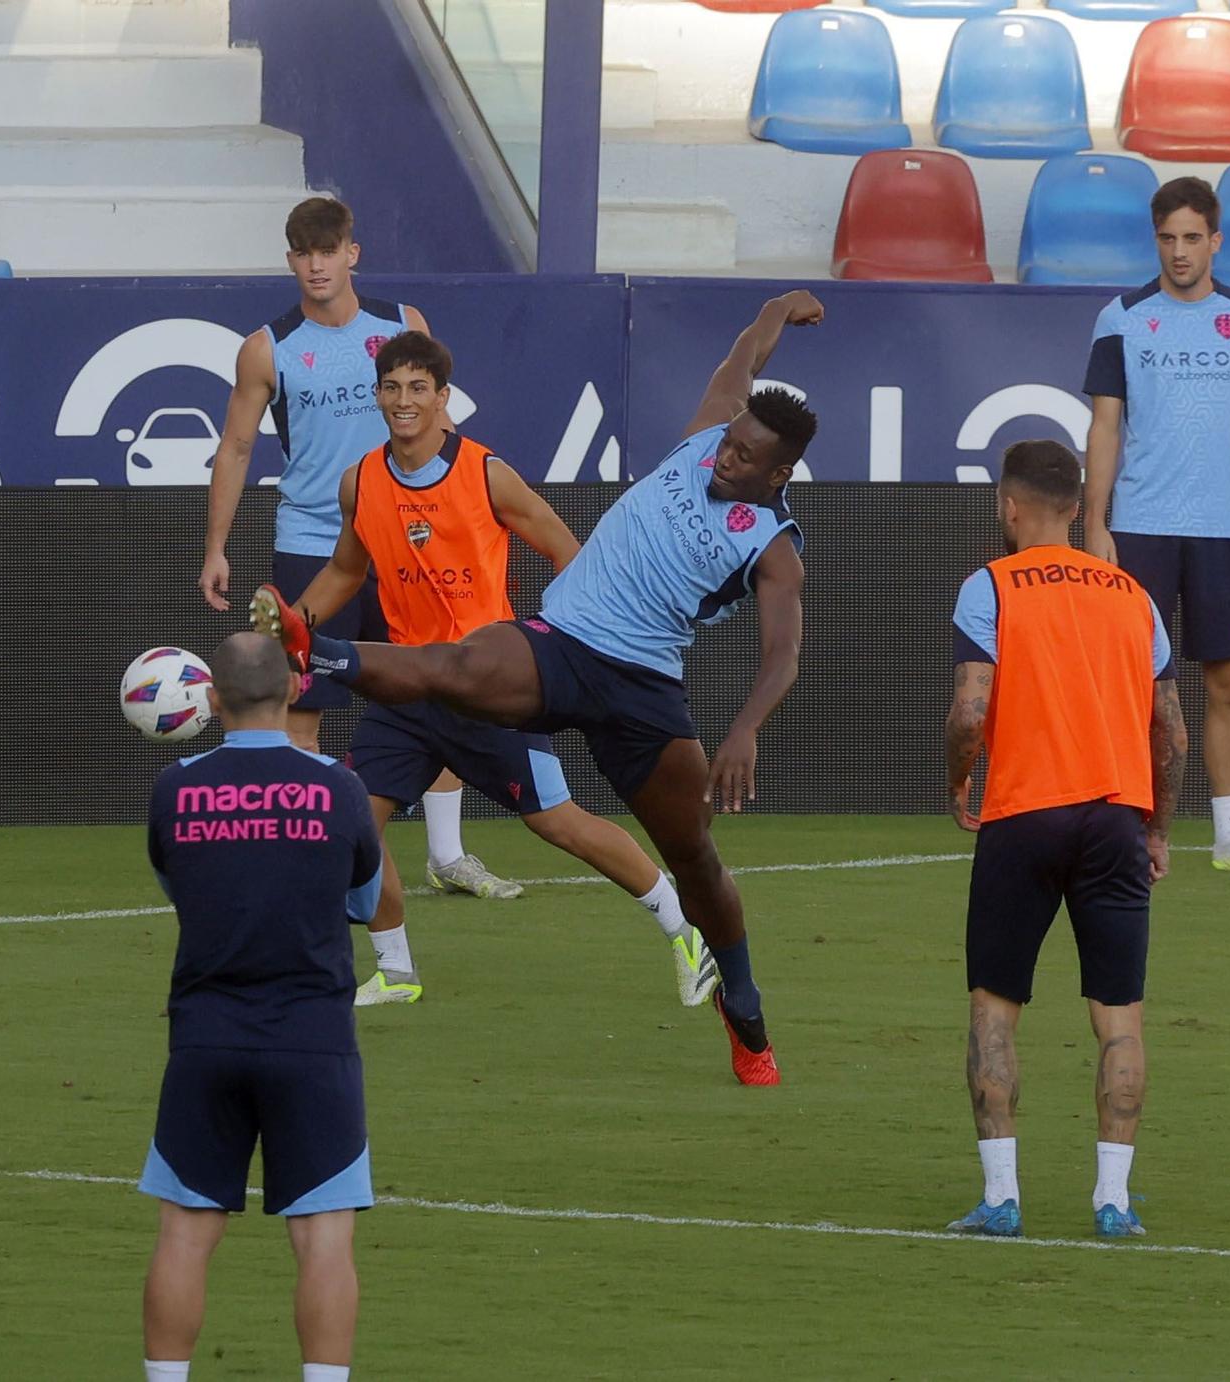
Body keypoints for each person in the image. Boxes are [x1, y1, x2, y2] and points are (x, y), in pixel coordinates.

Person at [251, 290, 827, 1086]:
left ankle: (745, 1005)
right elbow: (746, 356)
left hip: (642, 688)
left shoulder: (773, 547)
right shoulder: (707, 437)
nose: (725, 457)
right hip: (561, 643)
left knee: (696, 862)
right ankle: (322, 651)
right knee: (457, 666)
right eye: (727, 442)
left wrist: (745, 729)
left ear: (778, 472)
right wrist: (776, 309)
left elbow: (783, 655)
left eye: (742, 456)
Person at [292, 330, 716, 1009]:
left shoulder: (485, 473)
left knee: (559, 823)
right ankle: (397, 971)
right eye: (392, 388)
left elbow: (564, 547)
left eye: (418, 389)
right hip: (404, 688)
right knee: (352, 823)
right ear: (377, 396)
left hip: (488, 687)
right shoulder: (361, 480)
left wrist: (562, 644)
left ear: (442, 398)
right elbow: (347, 570)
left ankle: (682, 924)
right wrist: (294, 625)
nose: (404, 401)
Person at [199, 194, 521, 903]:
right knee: (304, 705)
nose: (316, 264)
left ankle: (447, 854)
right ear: (290, 261)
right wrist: (215, 546)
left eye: (328, 249)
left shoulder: (402, 326)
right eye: (302, 252)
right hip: (316, 545)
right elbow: (238, 446)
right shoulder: (267, 348)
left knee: (445, 687)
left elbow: (443, 433)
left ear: (353, 252)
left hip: (411, 543)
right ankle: (306, 856)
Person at [943, 440, 1187, 1240]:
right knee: (1119, 1017)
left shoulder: (991, 587)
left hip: (1022, 815)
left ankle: (1002, 1197)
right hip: (1116, 816)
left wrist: (957, 780)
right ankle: (1113, 1202)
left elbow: (970, 712)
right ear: (1080, 509)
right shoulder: (1133, 595)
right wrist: (1157, 826)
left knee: (994, 1009)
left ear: (1008, 508)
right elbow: (1174, 733)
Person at [140, 633, 381, 1382]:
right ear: (295, 692)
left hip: (205, 1040)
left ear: (211, 702)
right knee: (324, 1241)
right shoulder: (339, 790)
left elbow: (180, 887)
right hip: (313, 1043)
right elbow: (365, 902)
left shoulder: (174, 790)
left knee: (184, 1233)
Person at [1082, 175, 1230, 874]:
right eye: (1168, 238)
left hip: (1227, 530)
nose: (1179, 252)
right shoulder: (1122, 316)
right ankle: (1130, 827)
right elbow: (1105, 427)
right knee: (1133, 688)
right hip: (1140, 525)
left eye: (1192, 238)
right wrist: (1096, 521)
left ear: (1216, 241)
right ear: (1156, 241)